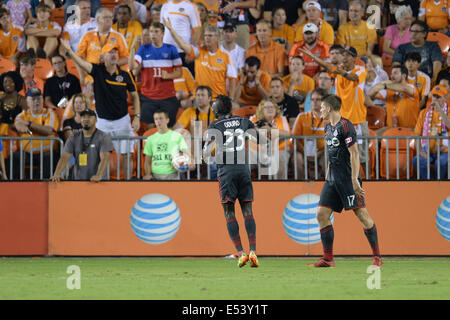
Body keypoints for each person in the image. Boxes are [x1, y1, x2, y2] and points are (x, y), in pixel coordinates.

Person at [308, 93, 382, 268]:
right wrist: (327, 175)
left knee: (362, 214)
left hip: (348, 179)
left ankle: (377, 257)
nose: (320, 110)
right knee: (321, 214)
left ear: (330, 108)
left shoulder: (346, 125)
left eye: (323, 107)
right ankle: (328, 258)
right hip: (332, 179)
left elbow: (354, 153)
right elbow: (330, 155)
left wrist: (355, 180)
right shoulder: (328, 128)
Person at [61, 39, 141, 175]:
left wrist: (137, 117)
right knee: (102, 155)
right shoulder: (97, 71)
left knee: (128, 154)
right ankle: (104, 183)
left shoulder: (125, 75)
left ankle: (128, 183)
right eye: (110, 52)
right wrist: (69, 51)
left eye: (115, 51)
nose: (114, 54)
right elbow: (81, 63)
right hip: (103, 122)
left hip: (122, 120)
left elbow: (135, 96)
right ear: (103, 57)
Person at [203, 94, 261, 268]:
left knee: (229, 212)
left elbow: (207, 153)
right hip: (244, 170)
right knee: (248, 211)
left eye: (214, 105)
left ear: (219, 108)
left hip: (226, 172)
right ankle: (253, 251)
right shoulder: (243, 121)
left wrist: (204, 153)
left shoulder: (214, 126)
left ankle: (241, 253)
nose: (212, 107)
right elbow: (259, 139)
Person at [300, 46, 370, 166]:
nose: (344, 57)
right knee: (336, 156)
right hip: (340, 122)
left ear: (354, 58)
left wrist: (339, 71)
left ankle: (367, 182)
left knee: (361, 157)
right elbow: (328, 67)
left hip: (357, 120)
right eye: (343, 54)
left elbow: (352, 77)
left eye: (347, 55)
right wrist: (314, 58)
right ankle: (338, 182)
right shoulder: (339, 69)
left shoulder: (361, 70)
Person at [164, 19, 237, 99]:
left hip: (218, 99)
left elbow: (232, 79)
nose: (207, 38)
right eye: (205, 36)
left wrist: (231, 99)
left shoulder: (226, 56)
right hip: (199, 98)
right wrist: (171, 30)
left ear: (217, 38)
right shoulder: (198, 51)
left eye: (210, 36)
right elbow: (182, 45)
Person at [131, 22, 182, 128]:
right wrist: (132, 48)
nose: (153, 34)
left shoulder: (171, 49)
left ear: (162, 34)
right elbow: (132, 67)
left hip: (168, 96)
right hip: (148, 96)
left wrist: (168, 75)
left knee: (168, 128)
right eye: (151, 32)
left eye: (156, 32)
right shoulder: (143, 49)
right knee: (150, 127)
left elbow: (179, 72)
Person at [50, 109, 113, 182]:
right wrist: (57, 173)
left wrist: (98, 175)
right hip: (78, 182)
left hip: (98, 182)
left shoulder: (103, 137)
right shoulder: (73, 137)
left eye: (89, 117)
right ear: (80, 120)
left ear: (96, 120)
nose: (86, 119)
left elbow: (105, 158)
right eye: (83, 117)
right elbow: (65, 157)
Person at [13, 88, 60, 180]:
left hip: (47, 152)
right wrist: (39, 128)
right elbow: (19, 126)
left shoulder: (50, 113)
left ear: (42, 100)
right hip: (27, 153)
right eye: (33, 99)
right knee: (16, 156)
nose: (36, 101)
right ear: (27, 101)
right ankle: (11, 186)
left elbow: (48, 131)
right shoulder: (22, 115)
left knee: (47, 157)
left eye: (39, 98)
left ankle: (40, 187)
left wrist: (29, 124)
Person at [143, 109, 193, 180]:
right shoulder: (150, 139)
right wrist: (148, 174)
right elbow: (147, 161)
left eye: (161, 118)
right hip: (156, 177)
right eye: (156, 119)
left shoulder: (177, 136)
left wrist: (190, 161)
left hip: (173, 176)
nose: (158, 121)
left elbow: (187, 152)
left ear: (167, 120)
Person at [413, 85, 449, 180]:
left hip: (445, 151)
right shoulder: (424, 113)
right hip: (427, 150)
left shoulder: (448, 111)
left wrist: (440, 110)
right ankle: (431, 182)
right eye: (434, 96)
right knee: (417, 160)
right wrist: (420, 151)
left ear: (445, 98)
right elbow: (417, 135)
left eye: (439, 97)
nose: (436, 99)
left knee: (440, 162)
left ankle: (438, 184)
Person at [368, 65, 420, 130]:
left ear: (404, 76)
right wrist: (382, 83)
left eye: (395, 73)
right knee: (373, 136)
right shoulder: (388, 90)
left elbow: (404, 88)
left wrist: (385, 85)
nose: (392, 76)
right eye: (391, 73)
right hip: (391, 130)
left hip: (409, 129)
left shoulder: (411, 87)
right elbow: (370, 94)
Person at [250, 98, 291, 179]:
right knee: (244, 160)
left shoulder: (281, 119)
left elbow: (287, 133)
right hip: (258, 151)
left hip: (279, 149)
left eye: (272, 107)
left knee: (280, 159)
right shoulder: (254, 119)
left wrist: (270, 130)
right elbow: (246, 135)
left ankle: (280, 187)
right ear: (262, 110)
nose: (270, 109)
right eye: (267, 107)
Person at [292, 88, 327, 179]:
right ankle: (301, 186)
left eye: (318, 99)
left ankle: (328, 187)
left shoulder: (330, 119)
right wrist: (304, 152)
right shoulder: (302, 116)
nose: (314, 102)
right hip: (303, 151)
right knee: (297, 159)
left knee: (328, 159)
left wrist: (320, 153)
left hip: (322, 152)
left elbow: (333, 141)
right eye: (312, 99)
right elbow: (294, 138)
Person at [160, 0, 202, 69]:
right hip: (166, 51)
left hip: (183, 51)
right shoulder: (165, 5)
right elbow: (161, 28)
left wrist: (191, 52)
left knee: (184, 78)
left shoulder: (191, 6)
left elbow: (198, 30)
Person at [0, 71, 27, 136]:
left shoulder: (22, 100)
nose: (8, 84)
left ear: (16, 83)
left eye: (11, 81)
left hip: (17, 132)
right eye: (5, 82)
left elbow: (26, 118)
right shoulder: (0, 99)